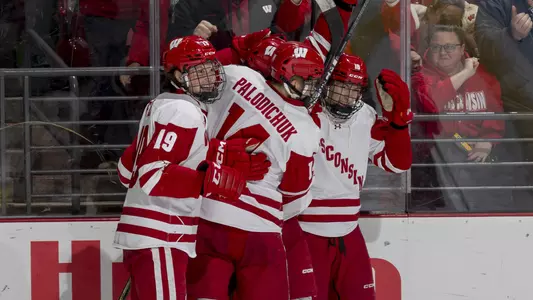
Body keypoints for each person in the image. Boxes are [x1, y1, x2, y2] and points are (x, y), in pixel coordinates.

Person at [113, 36, 270, 300]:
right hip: (161, 236)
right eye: (199, 70)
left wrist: (225, 153)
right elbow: (153, 175)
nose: (209, 75)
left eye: (210, 67)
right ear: (176, 74)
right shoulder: (183, 111)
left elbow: (126, 171)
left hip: (149, 238)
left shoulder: (160, 105)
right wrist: (213, 180)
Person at [186, 41, 324, 300]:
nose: (312, 88)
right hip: (259, 230)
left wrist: (235, 51)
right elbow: (295, 197)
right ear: (286, 74)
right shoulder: (305, 130)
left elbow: (199, 77)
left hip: (206, 215)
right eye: (306, 80)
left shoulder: (240, 75)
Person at [298, 54, 413, 300]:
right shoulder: (304, 113)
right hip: (306, 229)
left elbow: (397, 164)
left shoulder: (366, 116)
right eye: (342, 85)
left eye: (354, 88)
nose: (348, 95)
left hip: (349, 230)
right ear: (327, 83)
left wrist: (399, 122)